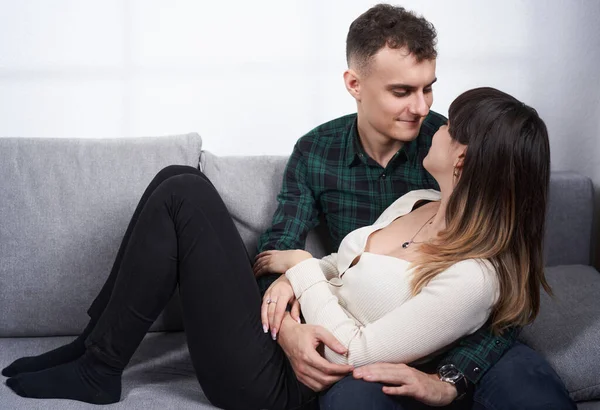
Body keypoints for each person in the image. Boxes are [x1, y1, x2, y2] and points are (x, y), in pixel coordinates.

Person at [4, 86, 554, 410]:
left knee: (183, 194)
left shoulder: (475, 277)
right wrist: (293, 280)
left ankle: (99, 365)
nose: (432, 122)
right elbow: (341, 263)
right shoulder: (418, 200)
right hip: (277, 329)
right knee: (178, 181)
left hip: (285, 382)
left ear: (461, 158)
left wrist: (304, 270)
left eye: (449, 124)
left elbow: (356, 353)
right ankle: (93, 348)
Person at [253, 4, 575, 409]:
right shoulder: (318, 151)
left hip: (467, 332)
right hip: (366, 328)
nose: (423, 109)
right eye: (402, 91)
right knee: (354, 398)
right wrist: (285, 326)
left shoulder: (467, 152)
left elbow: (507, 284)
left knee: (530, 390)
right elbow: (278, 249)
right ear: (355, 84)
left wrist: (449, 380)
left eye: (428, 88)